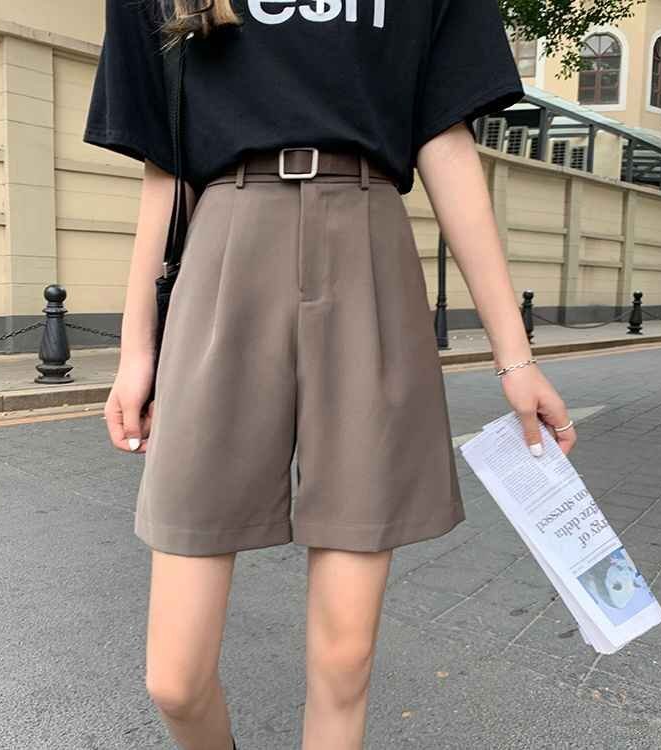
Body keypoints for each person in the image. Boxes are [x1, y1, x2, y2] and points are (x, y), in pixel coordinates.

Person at [83, 1, 578, 748]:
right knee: (175, 681)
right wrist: (136, 350)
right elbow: (166, 162)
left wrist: (516, 358)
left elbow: (445, 139)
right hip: (221, 252)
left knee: (345, 662)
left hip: (369, 246)